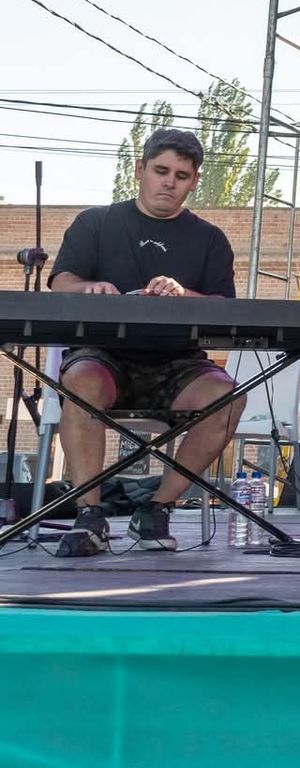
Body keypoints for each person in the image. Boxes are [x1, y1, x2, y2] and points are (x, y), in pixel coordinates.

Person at [47, 127, 240, 556]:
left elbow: (224, 307)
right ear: (141, 170)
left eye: (183, 175)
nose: (170, 182)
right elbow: (62, 282)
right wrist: (91, 287)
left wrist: (183, 293)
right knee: (82, 379)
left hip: (178, 361)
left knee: (226, 396)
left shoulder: (209, 239)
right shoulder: (95, 222)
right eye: (161, 170)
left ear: (194, 182)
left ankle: (157, 508)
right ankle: (89, 517)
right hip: (104, 355)